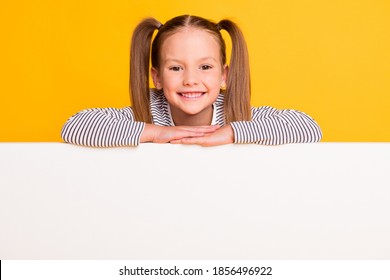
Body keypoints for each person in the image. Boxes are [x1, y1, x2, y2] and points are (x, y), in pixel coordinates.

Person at [61, 15, 322, 147]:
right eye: (176, 68)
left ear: (224, 75)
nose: (190, 80)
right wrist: (157, 133)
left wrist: (233, 132)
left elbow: (309, 127)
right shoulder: (148, 114)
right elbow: (75, 126)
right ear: (157, 77)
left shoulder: (237, 114)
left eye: (205, 67)